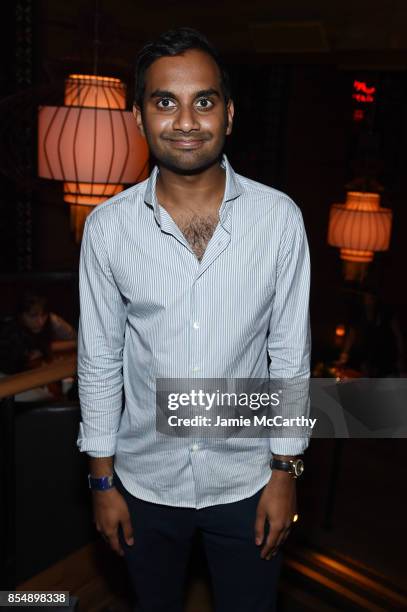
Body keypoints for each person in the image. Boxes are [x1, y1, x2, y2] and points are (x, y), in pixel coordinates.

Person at [77, 27, 311, 612]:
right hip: (144, 482)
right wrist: (102, 481)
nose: (185, 120)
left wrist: (285, 473)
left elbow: (290, 356)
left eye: (203, 101)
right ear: (139, 117)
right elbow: (100, 359)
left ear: (228, 115)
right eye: (165, 102)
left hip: (248, 479)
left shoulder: (278, 219)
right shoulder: (108, 229)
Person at [0, 290, 77, 375]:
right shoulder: (8, 333)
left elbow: (47, 347)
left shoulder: (48, 323)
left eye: (44, 314)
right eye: (33, 316)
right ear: (20, 315)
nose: (40, 321)